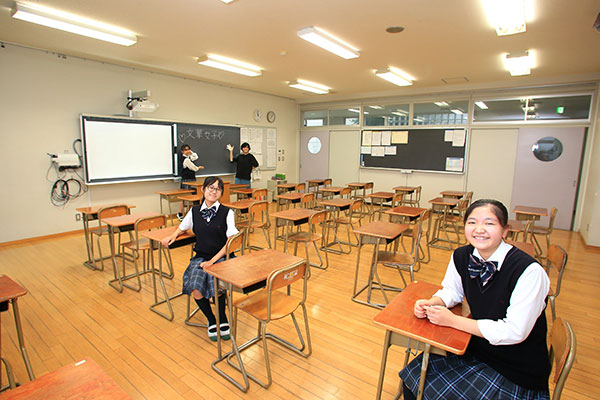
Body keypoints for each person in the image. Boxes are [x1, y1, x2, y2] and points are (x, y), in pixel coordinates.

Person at [399, 199, 551, 400]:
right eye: (472, 222)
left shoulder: (529, 271)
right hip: (477, 347)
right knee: (413, 379)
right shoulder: (462, 256)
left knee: (424, 387)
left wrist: (452, 321)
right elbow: (452, 291)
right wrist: (433, 302)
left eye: (489, 223)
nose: (479, 229)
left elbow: (514, 332)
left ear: (505, 230)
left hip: (516, 368)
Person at [161, 176, 237, 342]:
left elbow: (231, 242)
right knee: (195, 287)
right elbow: (182, 227)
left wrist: (212, 261)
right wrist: (173, 236)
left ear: (221, 193)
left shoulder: (227, 212)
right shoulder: (194, 211)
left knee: (217, 286)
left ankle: (222, 318)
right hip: (201, 256)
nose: (213, 191)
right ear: (203, 190)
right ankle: (211, 320)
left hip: (221, 257)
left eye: (218, 189)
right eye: (210, 188)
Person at [178, 144, 204, 220]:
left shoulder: (188, 157)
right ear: (182, 151)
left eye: (188, 149)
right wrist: (198, 168)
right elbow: (194, 168)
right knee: (184, 197)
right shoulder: (186, 159)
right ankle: (180, 213)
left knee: (194, 196)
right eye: (185, 150)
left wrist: (190, 152)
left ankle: (194, 213)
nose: (187, 151)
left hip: (191, 179)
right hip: (186, 180)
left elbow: (195, 157)